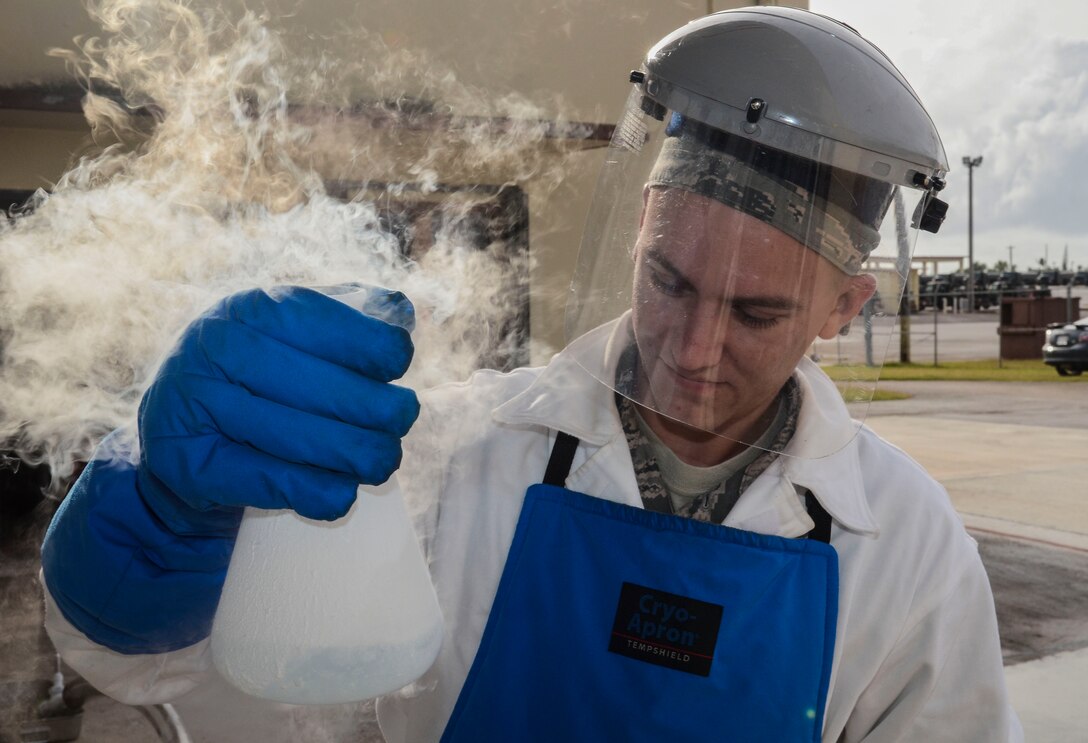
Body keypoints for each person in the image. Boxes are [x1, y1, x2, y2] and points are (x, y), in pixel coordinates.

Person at [40, 7, 1021, 741]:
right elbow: (195, 688)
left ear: (840, 310)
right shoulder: (444, 451)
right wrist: (159, 525)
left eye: (757, 313)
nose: (688, 348)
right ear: (638, 231)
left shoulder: (906, 546)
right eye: (667, 280)